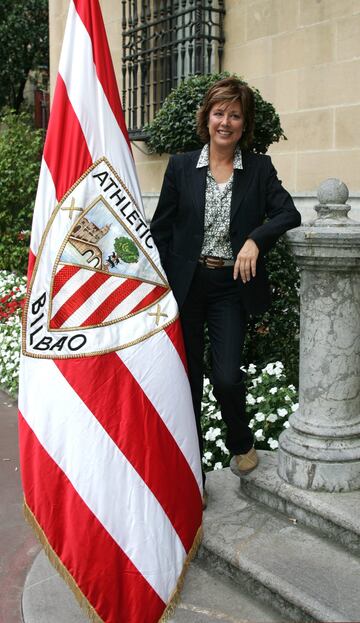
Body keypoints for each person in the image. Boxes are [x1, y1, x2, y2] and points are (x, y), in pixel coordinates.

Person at [150, 77, 301, 492]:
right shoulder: (181, 167)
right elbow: (160, 230)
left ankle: (240, 441)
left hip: (231, 285)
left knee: (228, 376)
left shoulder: (258, 169)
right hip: (186, 286)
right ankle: (192, 478)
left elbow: (288, 214)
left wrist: (256, 238)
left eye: (234, 114)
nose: (226, 121)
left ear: (244, 122)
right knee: (187, 384)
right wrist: (159, 283)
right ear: (207, 117)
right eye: (219, 112)